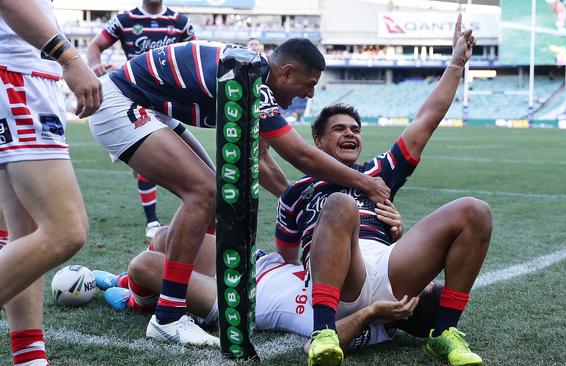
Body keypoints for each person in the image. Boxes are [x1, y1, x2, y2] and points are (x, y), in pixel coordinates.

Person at [87, 38, 390, 347]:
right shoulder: (253, 81)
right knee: (203, 193)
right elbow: (302, 155)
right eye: (309, 84)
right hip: (123, 102)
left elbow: (260, 160)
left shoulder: (250, 73)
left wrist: (296, 198)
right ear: (286, 72)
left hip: (146, 103)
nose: (310, 94)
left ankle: (136, 289)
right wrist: (365, 183)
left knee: (216, 198)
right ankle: (168, 316)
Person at [273, 16, 491, 366]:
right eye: (339, 129)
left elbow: (427, 119)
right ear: (318, 140)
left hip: (387, 267)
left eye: (355, 129)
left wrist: (456, 63)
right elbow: (286, 260)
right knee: (340, 204)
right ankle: (324, 332)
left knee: (474, 210)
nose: (350, 134)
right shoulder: (297, 192)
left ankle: (444, 333)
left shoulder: (379, 172)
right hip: (339, 281)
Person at [93, 206, 444, 352]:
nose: (421, 277)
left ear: (407, 305)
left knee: (146, 265)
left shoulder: (376, 328)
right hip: (261, 264)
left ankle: (136, 300)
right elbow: (381, 263)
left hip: (239, 299)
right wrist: (397, 234)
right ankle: (131, 288)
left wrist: (370, 313)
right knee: (170, 236)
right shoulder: (377, 286)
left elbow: (320, 342)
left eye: (424, 285)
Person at [0, 0, 102, 365]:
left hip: (22, 75)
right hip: (17, 76)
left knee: (25, 234)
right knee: (65, 230)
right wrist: (71, 58)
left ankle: (30, 357)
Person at [87, 0, 196, 238]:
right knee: (149, 162)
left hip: (167, 98)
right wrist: (95, 66)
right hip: (133, 95)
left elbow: (192, 56)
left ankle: (195, 204)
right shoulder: (125, 19)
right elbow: (95, 46)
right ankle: (153, 221)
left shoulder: (180, 22)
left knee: (175, 161)